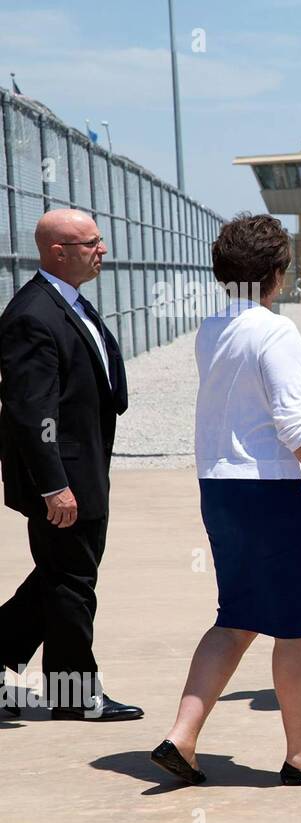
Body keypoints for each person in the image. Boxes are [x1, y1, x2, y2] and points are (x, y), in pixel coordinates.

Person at [150, 214, 301, 786]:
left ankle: (182, 736)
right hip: (272, 488)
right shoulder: (276, 331)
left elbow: (258, 402)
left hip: (220, 484)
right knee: (295, 626)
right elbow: (290, 422)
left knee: (237, 617)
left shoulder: (213, 327)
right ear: (276, 272)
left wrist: (299, 401)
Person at [0, 209, 140, 721]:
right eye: (91, 243)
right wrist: (53, 485)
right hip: (63, 476)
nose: (101, 250)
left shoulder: (68, 303)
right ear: (58, 252)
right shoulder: (33, 314)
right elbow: (29, 411)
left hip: (84, 467)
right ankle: (75, 693)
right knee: (71, 581)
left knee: (61, 576)